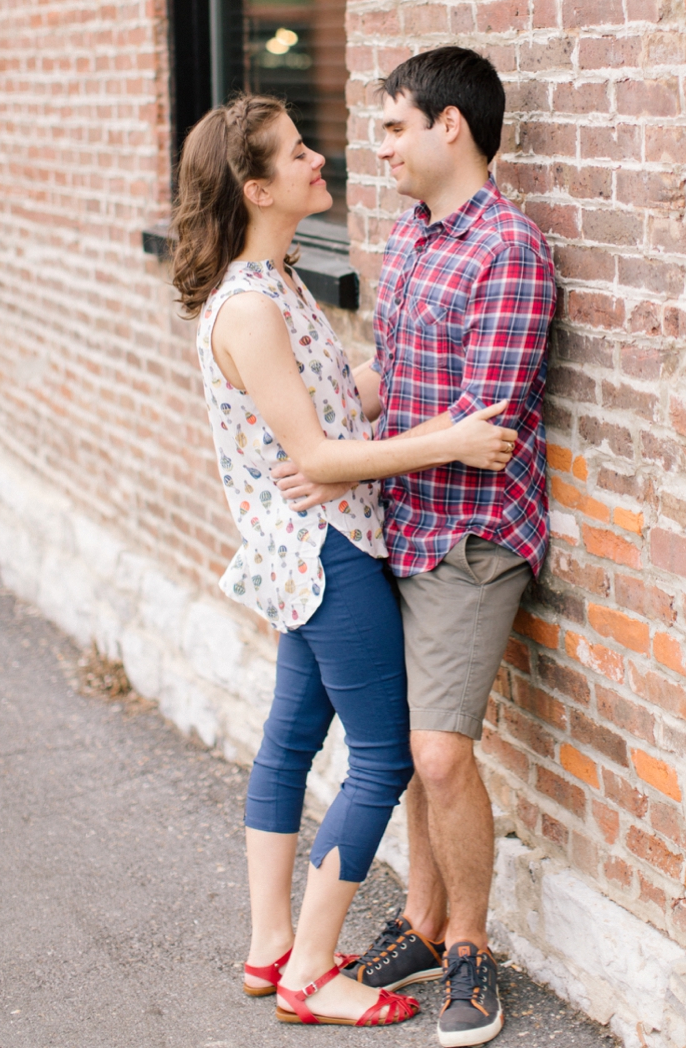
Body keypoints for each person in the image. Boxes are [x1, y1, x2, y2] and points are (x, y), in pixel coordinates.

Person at [171, 93, 518, 1030]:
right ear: (254, 188)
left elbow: (341, 404)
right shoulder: (250, 309)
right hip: (331, 555)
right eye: (294, 155)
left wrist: (408, 386)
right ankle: (315, 970)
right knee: (378, 760)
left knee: (289, 741)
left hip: (304, 553)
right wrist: (451, 439)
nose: (317, 159)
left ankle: (269, 946)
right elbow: (320, 462)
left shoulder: (273, 283)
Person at [276, 47, 555, 1048]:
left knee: (438, 754)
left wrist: (340, 463)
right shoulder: (409, 238)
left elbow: (485, 429)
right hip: (396, 523)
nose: (376, 146)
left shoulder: (507, 253)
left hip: (471, 535)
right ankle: (423, 922)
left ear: (451, 127)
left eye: (393, 126)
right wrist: (293, 419)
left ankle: (470, 942)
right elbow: (392, 374)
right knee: (395, 745)